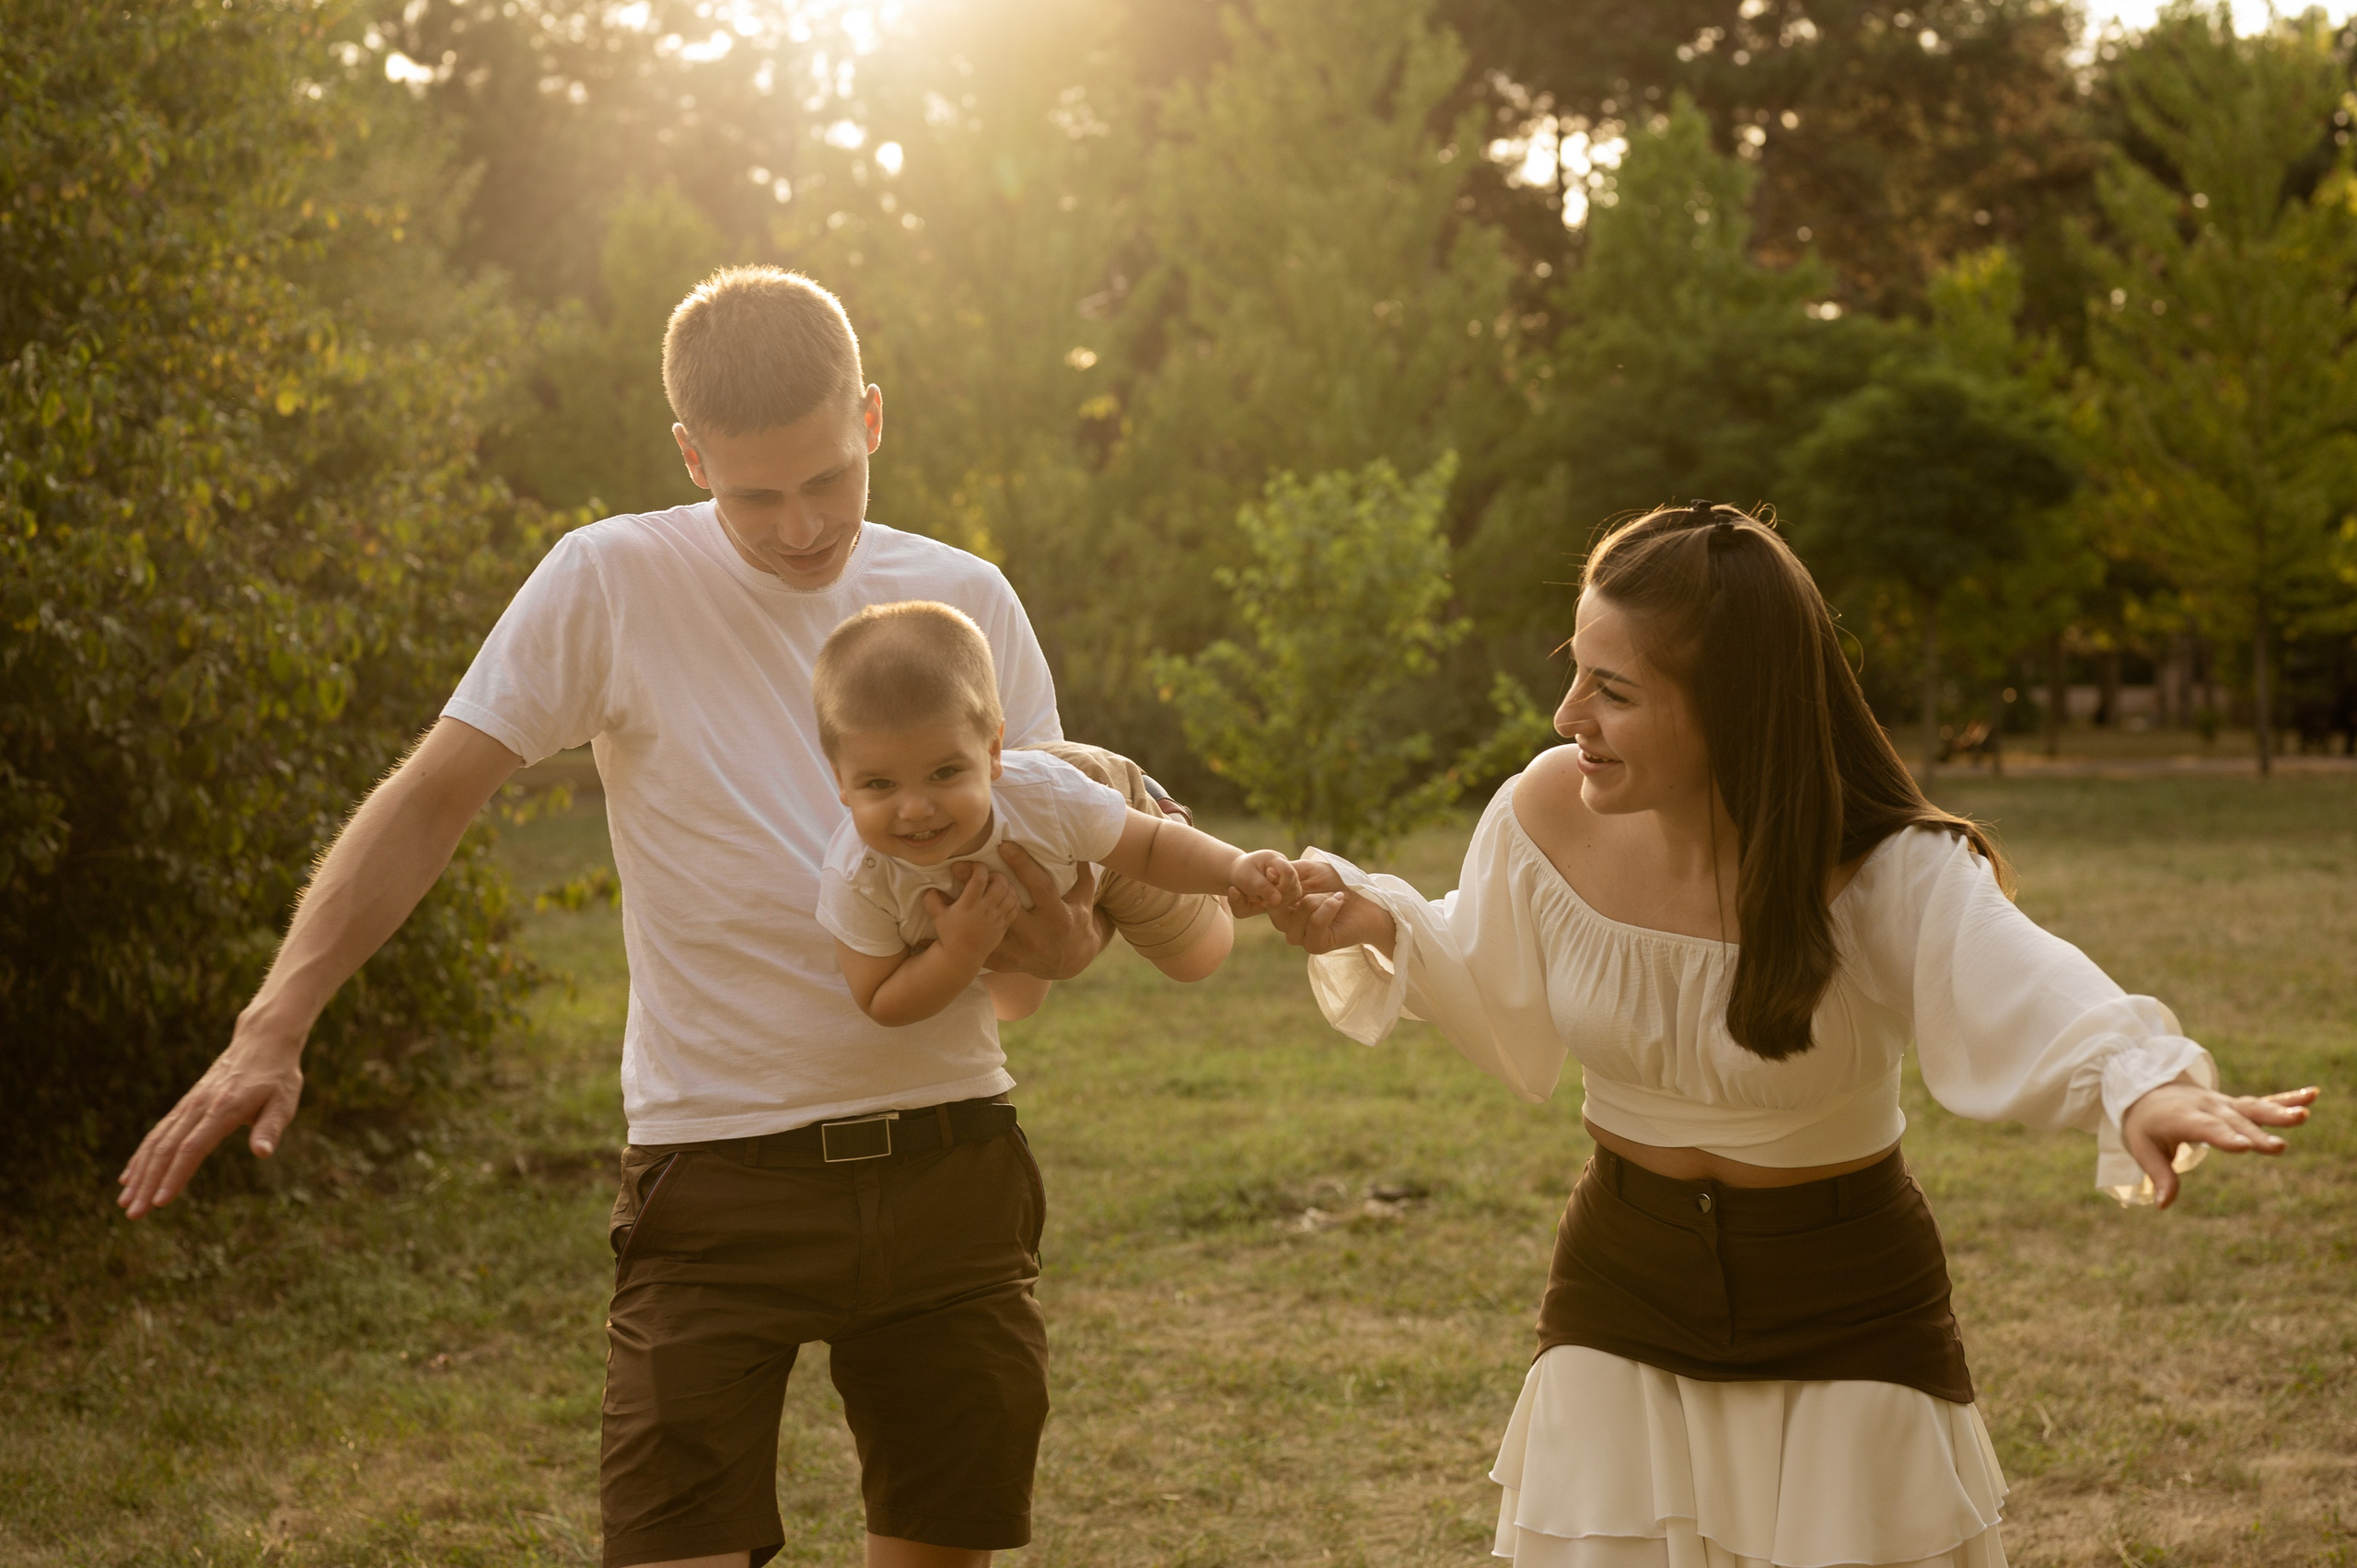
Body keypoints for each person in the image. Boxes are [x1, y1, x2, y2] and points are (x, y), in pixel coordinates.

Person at [112, 266, 1233, 1568]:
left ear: (871, 416)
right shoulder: (610, 577)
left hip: (950, 1164)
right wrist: (272, 1023)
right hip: (715, 1177)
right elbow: (431, 798)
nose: (802, 527)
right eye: (754, 495)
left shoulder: (965, 598)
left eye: (828, 477)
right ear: (692, 455)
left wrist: (1057, 933)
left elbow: (1041, 949)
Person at [1270, 503, 2319, 1568]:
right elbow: (1484, 951)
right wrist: (1381, 919)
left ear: (1731, 704)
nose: (1566, 713)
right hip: (1619, 1289)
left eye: (1613, 691)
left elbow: (2024, 978)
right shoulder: (1545, 809)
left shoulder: (1884, 864)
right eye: (1575, 671)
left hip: (1845, 1310)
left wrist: (2140, 1082)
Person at [812, 600, 1296, 1027]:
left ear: (993, 751)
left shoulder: (1045, 796)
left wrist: (1234, 866)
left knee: (1198, 959)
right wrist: (959, 952)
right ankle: (1090, 875)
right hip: (1042, 875)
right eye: (880, 784)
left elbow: (1150, 849)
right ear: (841, 781)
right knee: (1015, 1005)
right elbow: (879, 1000)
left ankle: (1152, 805)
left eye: (944, 773)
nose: (915, 809)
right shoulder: (859, 875)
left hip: (1083, 811)